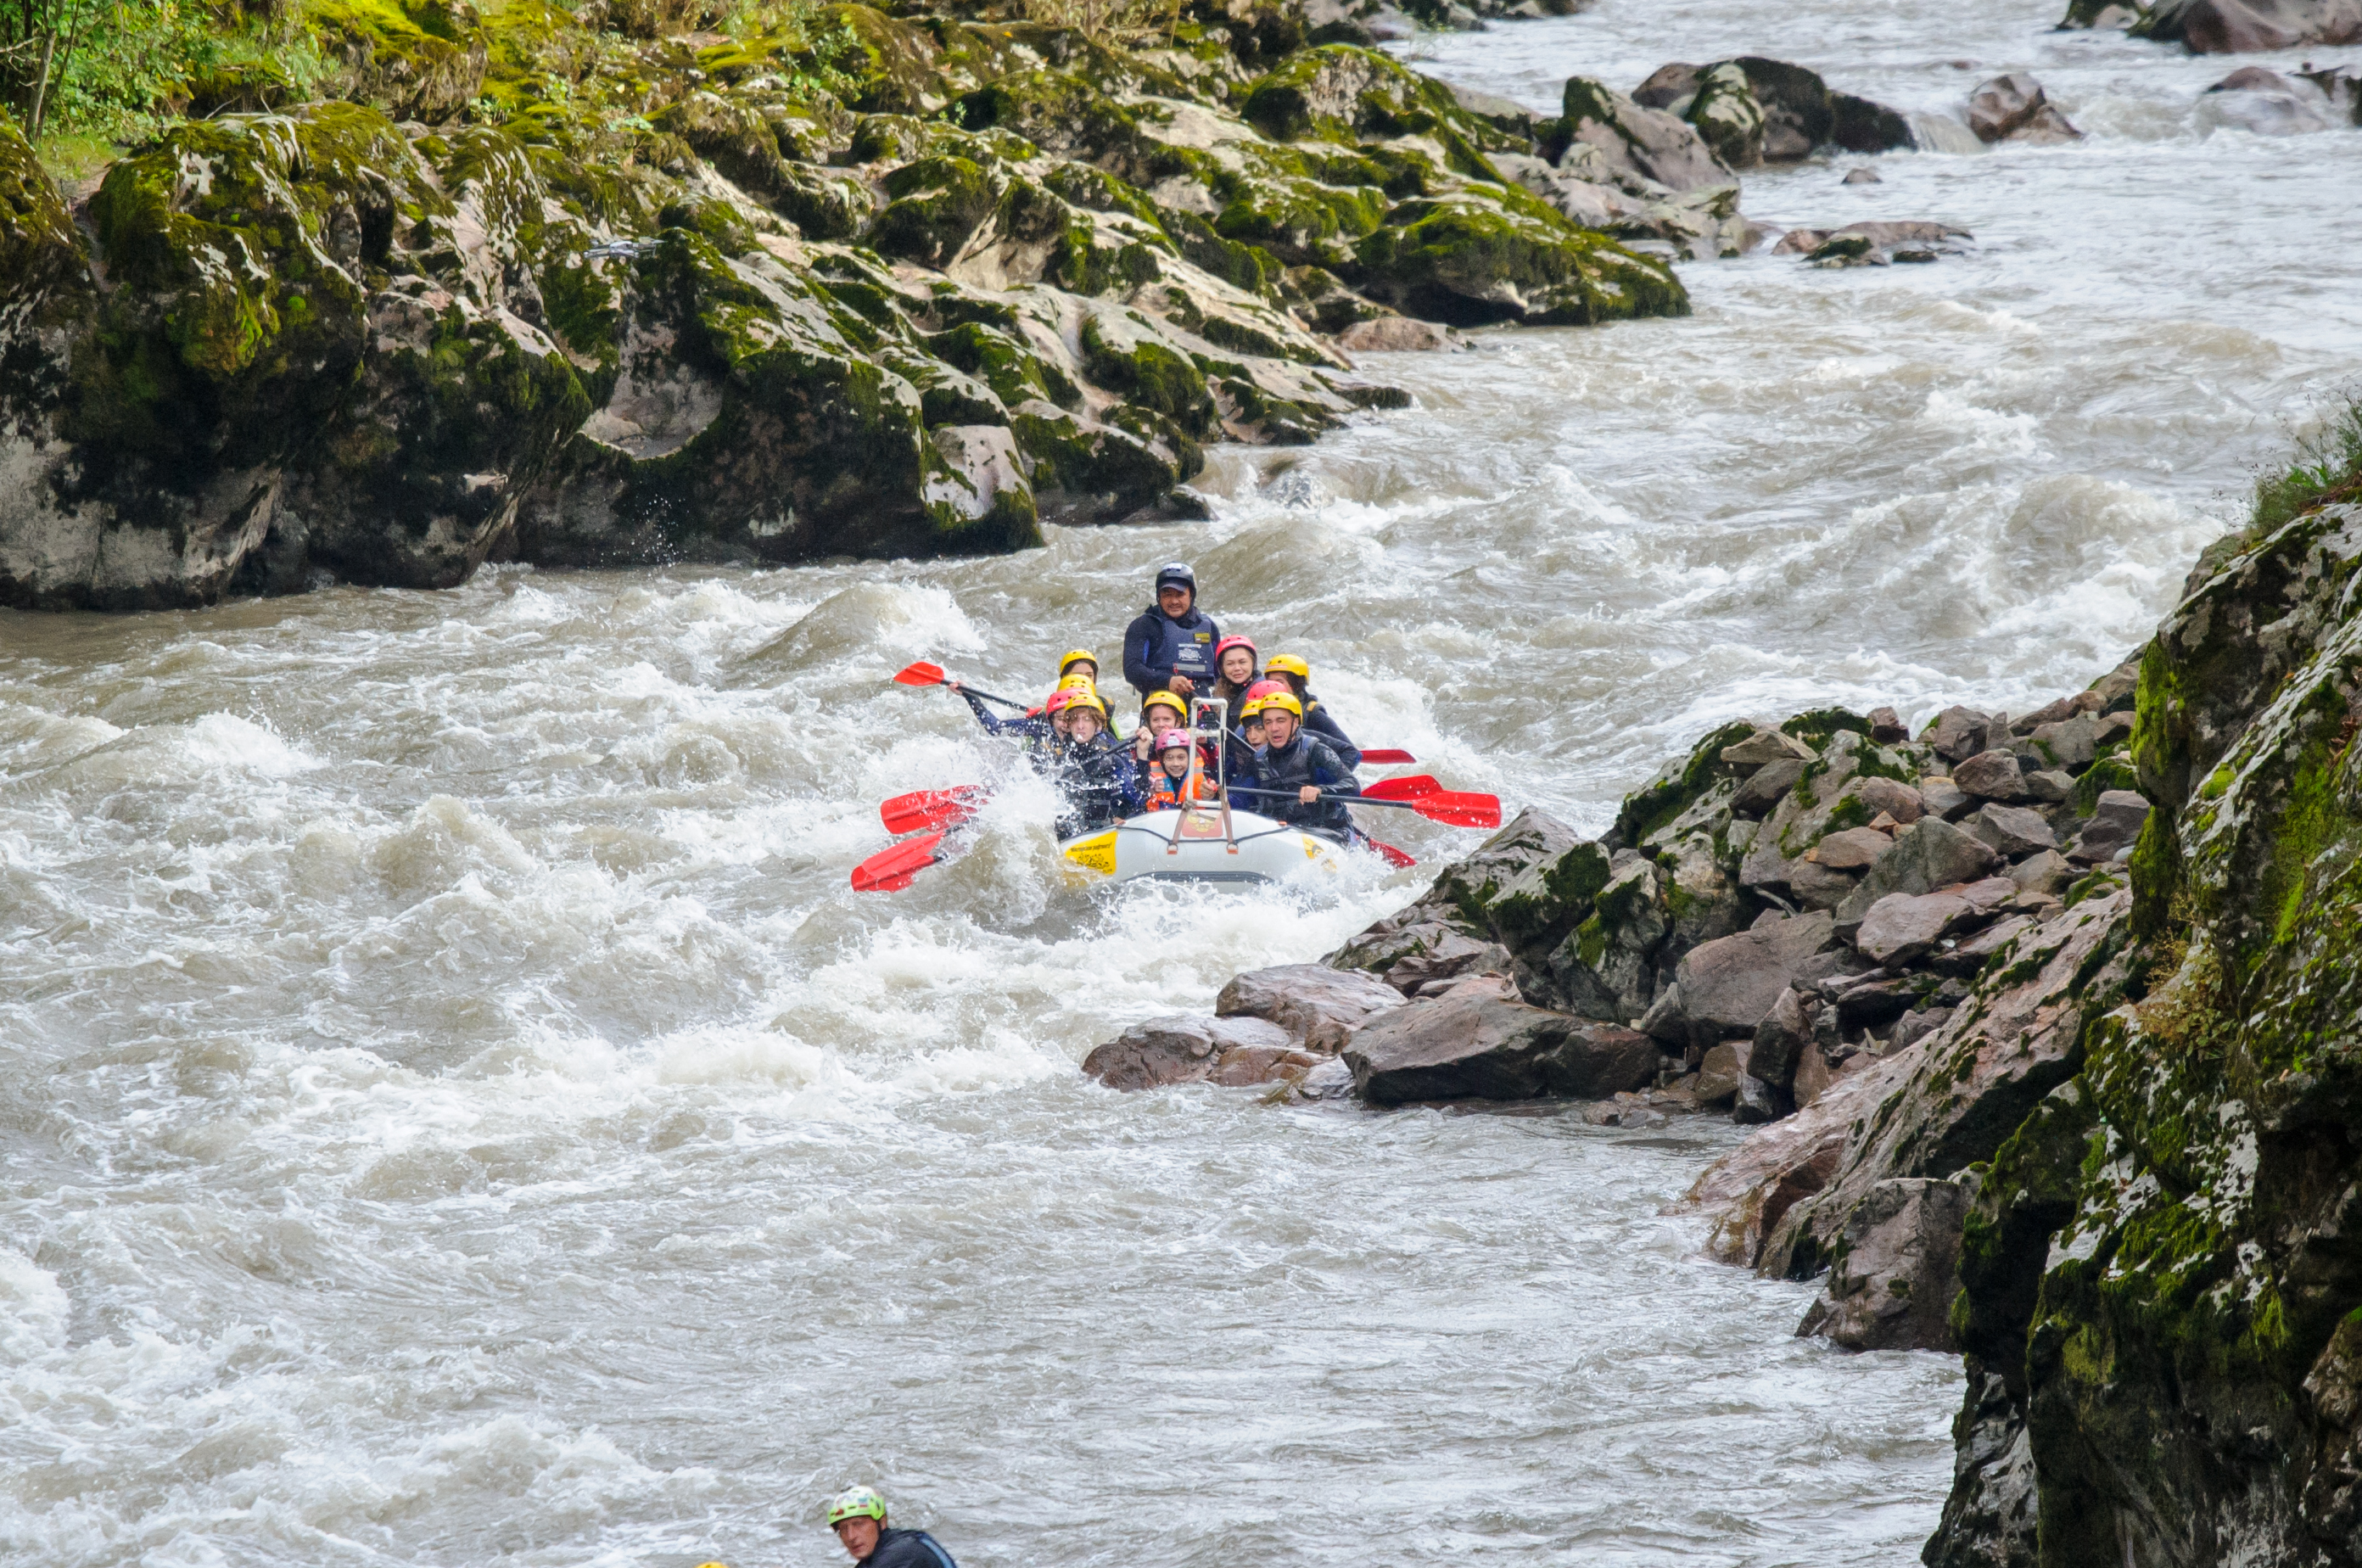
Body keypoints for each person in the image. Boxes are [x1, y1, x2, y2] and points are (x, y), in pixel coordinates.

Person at [1244, 690, 1358, 841]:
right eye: (1268, 722)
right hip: (1283, 833)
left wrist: (1320, 790)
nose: (1274, 728)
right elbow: (1238, 798)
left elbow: (1353, 786)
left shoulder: (1315, 750)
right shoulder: (1258, 759)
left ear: (1296, 722)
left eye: (1281, 720)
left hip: (1327, 833)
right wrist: (1214, 793)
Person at [1051, 692, 1145, 836]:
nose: (1080, 726)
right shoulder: (1057, 757)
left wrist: (1120, 816)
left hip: (1100, 834)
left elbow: (1136, 800)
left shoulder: (1111, 760)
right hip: (1066, 835)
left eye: (1087, 720)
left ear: (1098, 725)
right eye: (1075, 720)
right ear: (1068, 725)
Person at [1122, 563, 1220, 699]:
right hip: (1160, 706)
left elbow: (1222, 673)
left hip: (1201, 704)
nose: (1174, 601)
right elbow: (1132, 670)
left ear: (1191, 595)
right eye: (1167, 594)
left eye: (1180, 594)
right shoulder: (1143, 626)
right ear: (1159, 596)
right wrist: (1167, 681)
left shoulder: (1209, 627)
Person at [1262, 653, 1362, 770]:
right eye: (1269, 683)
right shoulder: (1262, 711)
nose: (1272, 688)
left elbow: (1351, 752)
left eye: (1279, 682)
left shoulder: (1312, 713)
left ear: (1296, 685)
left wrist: (1328, 784)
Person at [825, 1486, 957, 1568]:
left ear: (882, 1522)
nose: (851, 1536)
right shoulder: (875, 1559)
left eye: (859, 1524)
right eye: (843, 1529)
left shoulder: (904, 1552)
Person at [1144, 733, 1214, 810]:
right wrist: (1149, 790)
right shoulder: (1151, 779)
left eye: (1181, 758)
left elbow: (1214, 796)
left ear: (1190, 759)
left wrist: (1211, 794)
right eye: (1169, 758)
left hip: (1192, 821)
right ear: (1162, 760)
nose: (1176, 764)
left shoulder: (1204, 779)